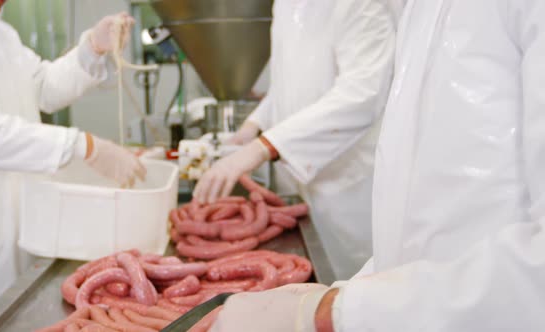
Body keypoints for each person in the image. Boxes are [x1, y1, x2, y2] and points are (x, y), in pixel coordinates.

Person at [210, 0, 545, 331]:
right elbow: (418, 238)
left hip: (353, 195)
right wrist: (352, 294)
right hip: (417, 302)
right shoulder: (417, 9)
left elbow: (361, 92)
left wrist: (330, 312)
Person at [0, 0, 145, 329]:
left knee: (17, 313)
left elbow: (41, 87)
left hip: (20, 218)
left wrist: (92, 49)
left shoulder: (1, 33)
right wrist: (81, 146)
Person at [193, 0, 399, 279]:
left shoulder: (359, 5)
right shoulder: (286, 5)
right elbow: (285, 85)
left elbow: (363, 94)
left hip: (346, 188)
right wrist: (252, 126)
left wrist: (263, 147)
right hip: (296, 182)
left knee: (353, 292)